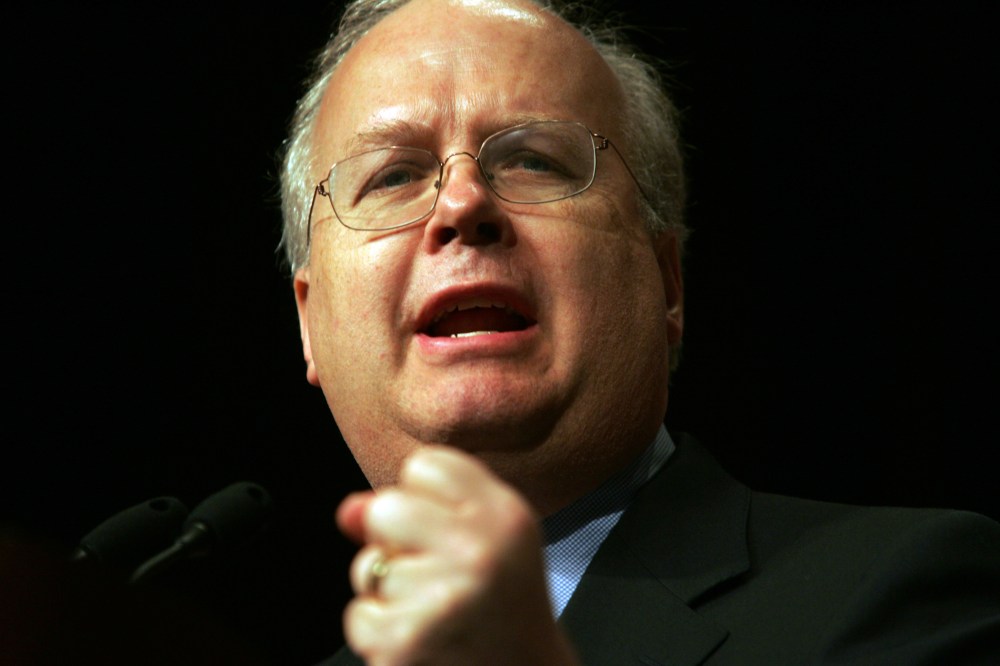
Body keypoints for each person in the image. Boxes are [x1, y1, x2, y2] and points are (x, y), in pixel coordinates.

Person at [280, 0, 1000, 663]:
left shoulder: (909, 589)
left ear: (668, 284)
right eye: (394, 175)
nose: (463, 202)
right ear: (309, 321)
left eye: (534, 160)